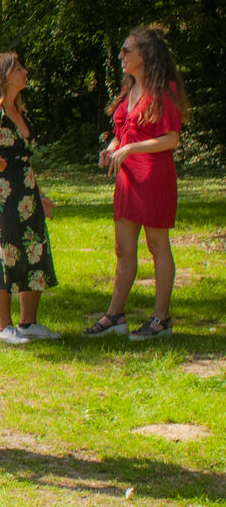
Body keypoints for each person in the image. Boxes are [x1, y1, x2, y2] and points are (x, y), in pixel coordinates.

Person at [86, 26, 188, 340]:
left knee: (157, 245)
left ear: (145, 55)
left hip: (154, 178)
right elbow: (123, 134)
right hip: (128, 182)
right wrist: (113, 148)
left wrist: (131, 148)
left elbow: (171, 139)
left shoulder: (164, 91)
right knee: (123, 249)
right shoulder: (128, 91)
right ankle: (115, 315)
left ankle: (161, 320)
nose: (121, 56)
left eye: (127, 50)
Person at [0, 54, 61, 344]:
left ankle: (28, 324)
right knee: (3, 254)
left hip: (25, 192)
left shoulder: (18, 109)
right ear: (3, 76)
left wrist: (39, 194)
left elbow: (24, 159)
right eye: (18, 68)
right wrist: (0, 165)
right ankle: (5, 328)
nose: (25, 71)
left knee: (33, 248)